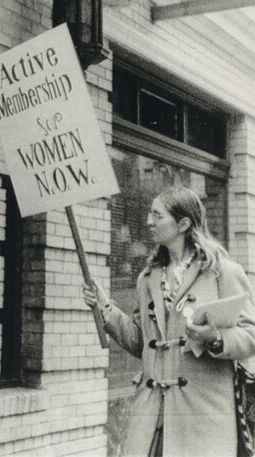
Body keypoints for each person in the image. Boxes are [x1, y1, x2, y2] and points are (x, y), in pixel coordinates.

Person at [82, 186, 255, 456]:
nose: (149, 221)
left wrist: (215, 337)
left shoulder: (223, 272)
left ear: (183, 223)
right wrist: (105, 308)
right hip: (152, 416)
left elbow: (250, 336)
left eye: (157, 215)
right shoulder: (147, 278)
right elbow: (142, 343)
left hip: (203, 419)